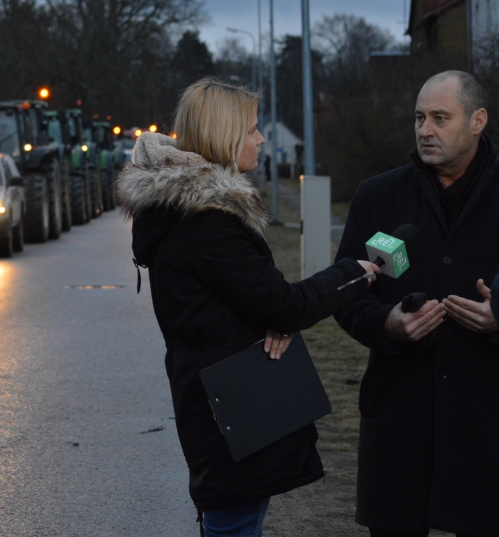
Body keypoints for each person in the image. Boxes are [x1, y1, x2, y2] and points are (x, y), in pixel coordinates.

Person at [118, 78, 379, 536]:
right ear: (225, 136)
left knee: (234, 519)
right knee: (233, 524)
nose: (261, 140)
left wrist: (272, 318)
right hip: (230, 410)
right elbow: (285, 304)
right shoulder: (207, 222)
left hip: (223, 401)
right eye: (253, 129)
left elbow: (262, 302)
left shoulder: (193, 213)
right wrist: (354, 272)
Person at [334, 70, 499, 537]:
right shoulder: (379, 197)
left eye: (440, 118)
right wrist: (387, 322)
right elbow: (346, 294)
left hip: (486, 420)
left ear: (477, 121)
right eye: (420, 118)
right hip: (400, 418)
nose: (425, 130)